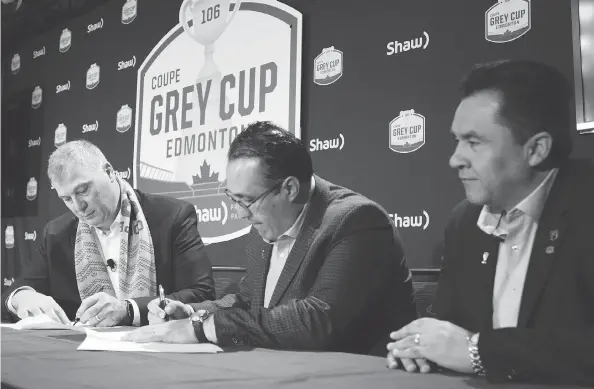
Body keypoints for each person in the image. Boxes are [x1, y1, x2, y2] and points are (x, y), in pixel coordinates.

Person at [124, 121, 417, 355]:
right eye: (233, 199)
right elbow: (246, 302)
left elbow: (318, 321)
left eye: (247, 200)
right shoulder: (264, 222)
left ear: (288, 189)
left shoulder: (356, 220)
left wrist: (203, 328)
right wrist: (190, 313)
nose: (240, 214)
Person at [387, 60, 594, 386]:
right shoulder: (464, 221)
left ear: (536, 149)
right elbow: (447, 325)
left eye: (474, 141)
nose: (455, 159)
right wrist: (419, 346)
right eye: (457, 139)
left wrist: (479, 351)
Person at [1, 140, 215, 326]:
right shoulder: (56, 233)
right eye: (67, 199)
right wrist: (22, 298)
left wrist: (129, 310)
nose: (78, 207)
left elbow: (202, 295)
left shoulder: (172, 217)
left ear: (110, 172)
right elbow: (13, 294)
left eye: (82, 190)